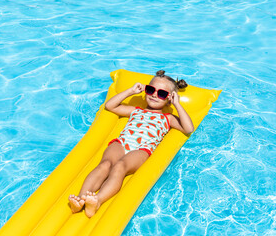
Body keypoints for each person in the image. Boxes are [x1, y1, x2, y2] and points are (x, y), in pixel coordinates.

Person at [68, 70, 194, 218]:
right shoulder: (136, 110)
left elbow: (188, 128)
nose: (154, 95)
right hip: (122, 143)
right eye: (151, 89)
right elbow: (110, 106)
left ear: (169, 98)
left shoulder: (168, 118)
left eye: (161, 94)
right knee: (105, 164)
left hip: (142, 149)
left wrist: (177, 104)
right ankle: (81, 199)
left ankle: (97, 201)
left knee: (120, 166)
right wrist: (131, 91)